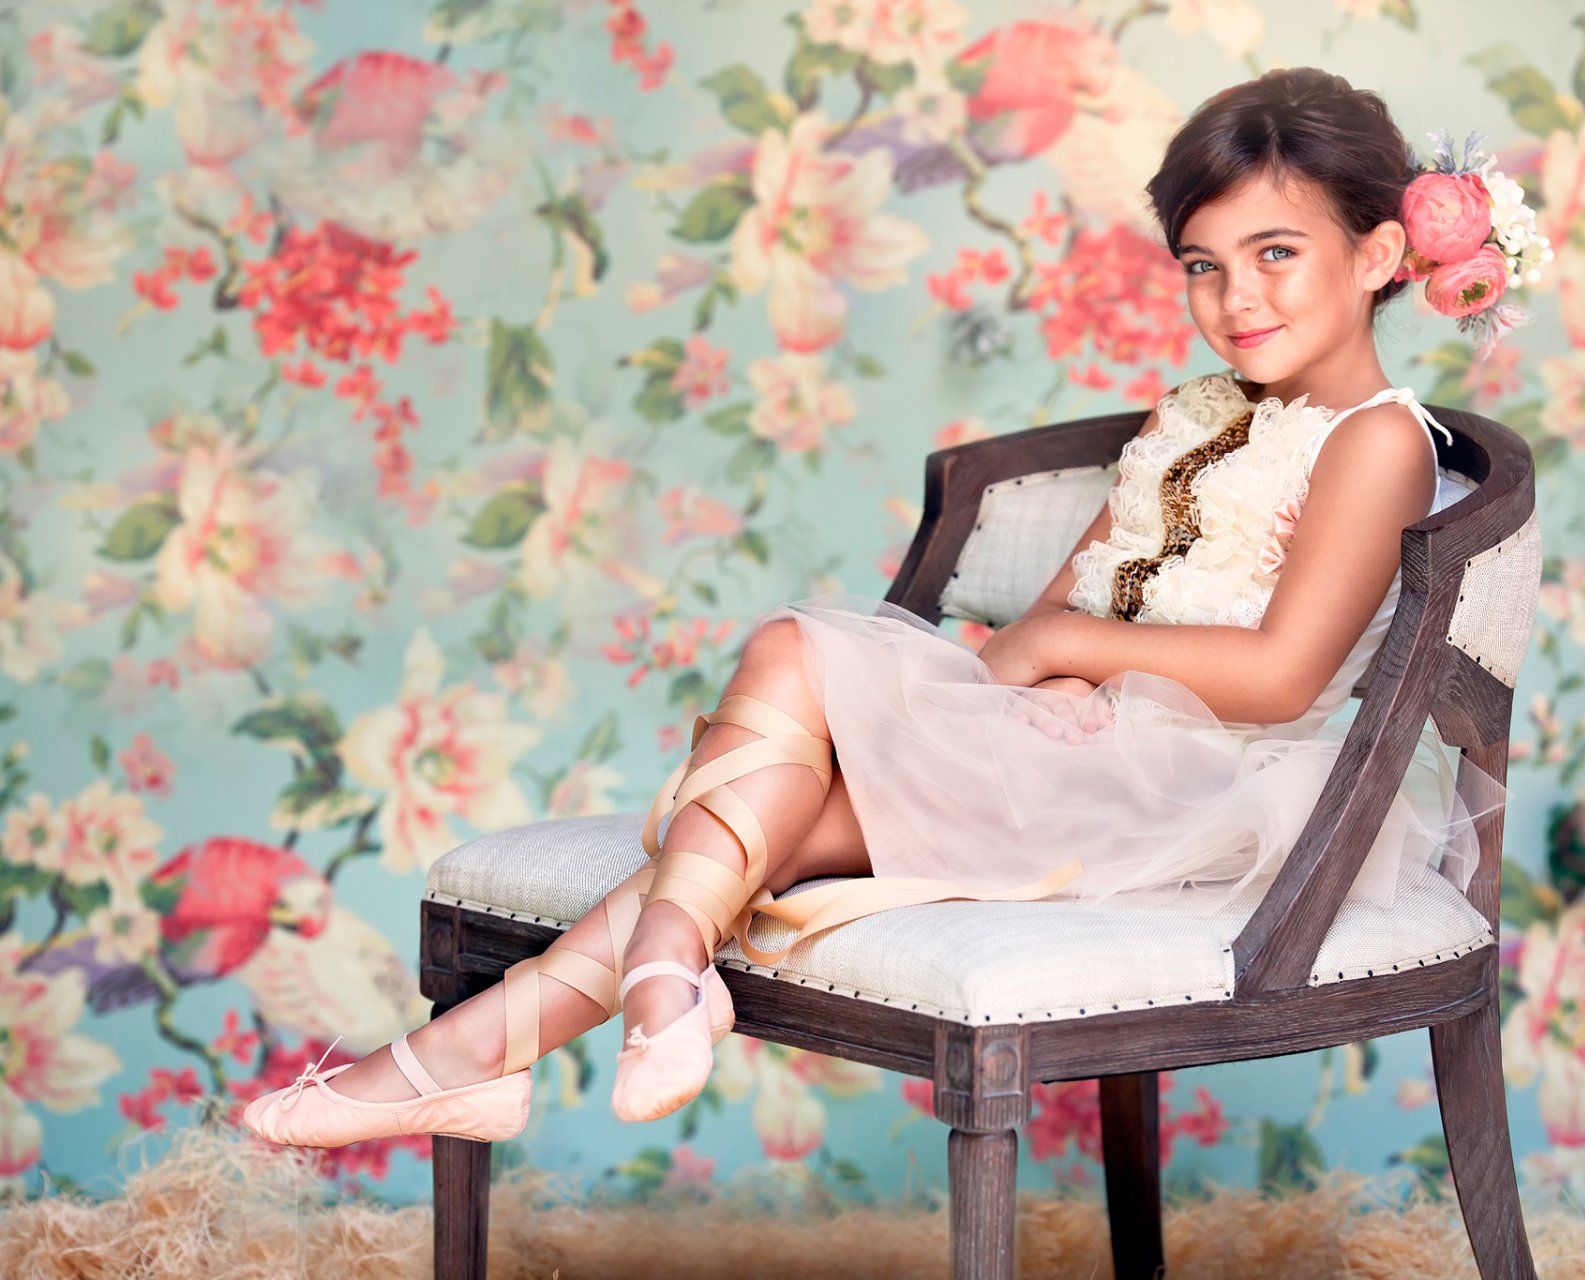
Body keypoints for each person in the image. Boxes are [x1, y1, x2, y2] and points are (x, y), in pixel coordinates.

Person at [241, 65, 1508, 1148]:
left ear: (1378, 255)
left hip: (1204, 779)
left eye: (1277, 254)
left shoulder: (1375, 439)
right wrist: (1054, 672)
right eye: (1204, 265)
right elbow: (1080, 590)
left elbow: (1283, 675)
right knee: (782, 731)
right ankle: (632, 989)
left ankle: (497, 1042)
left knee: (778, 744)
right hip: (1083, 735)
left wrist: (1059, 651)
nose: (1238, 299)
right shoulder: (1192, 413)